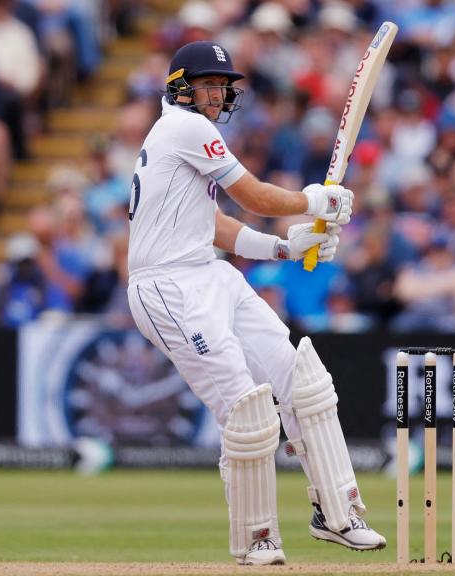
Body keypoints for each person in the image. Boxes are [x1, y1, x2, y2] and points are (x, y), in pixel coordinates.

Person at [125, 41, 384, 566]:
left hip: (208, 272)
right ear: (181, 86)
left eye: (223, 85)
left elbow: (215, 224)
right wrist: (316, 201)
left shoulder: (187, 140)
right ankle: (256, 537)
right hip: (166, 287)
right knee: (246, 409)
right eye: (207, 84)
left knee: (301, 381)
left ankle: (338, 512)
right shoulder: (185, 127)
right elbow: (257, 197)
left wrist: (285, 247)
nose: (218, 94)